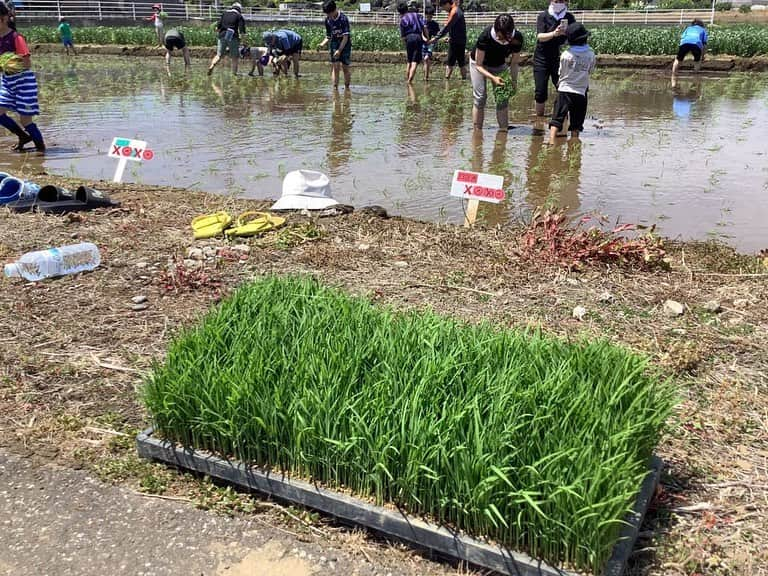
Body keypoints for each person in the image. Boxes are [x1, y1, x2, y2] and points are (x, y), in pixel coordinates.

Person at [0, 2, 44, 152]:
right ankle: (23, 136)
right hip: (7, 81)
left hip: (24, 82)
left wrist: (9, 63)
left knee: (25, 119)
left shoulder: (16, 37)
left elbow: (27, 63)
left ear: (4, 18)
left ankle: (41, 150)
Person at [469, 14, 523, 132]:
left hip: (499, 64)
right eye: (499, 36)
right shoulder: (486, 36)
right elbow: (478, 65)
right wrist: (493, 78)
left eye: (504, 38)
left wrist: (514, 81)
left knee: (502, 98)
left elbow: (514, 63)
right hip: (479, 64)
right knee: (480, 97)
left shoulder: (517, 38)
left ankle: (503, 131)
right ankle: (477, 132)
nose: (501, 39)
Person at [548, 22, 595, 143]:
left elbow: (561, 72)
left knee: (556, 119)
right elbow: (590, 71)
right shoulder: (590, 54)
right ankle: (574, 147)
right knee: (576, 124)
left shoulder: (566, 55)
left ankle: (551, 142)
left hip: (565, 90)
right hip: (581, 92)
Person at [533, 0, 576, 117]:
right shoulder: (543, 16)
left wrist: (566, 35)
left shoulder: (569, 17)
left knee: (562, 87)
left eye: (561, 1)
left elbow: (575, 37)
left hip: (559, 57)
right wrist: (554, 34)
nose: (559, 3)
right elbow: (540, 37)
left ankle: (561, 116)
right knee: (540, 91)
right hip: (541, 57)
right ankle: (539, 119)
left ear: (566, 2)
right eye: (556, 1)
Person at [430, 0, 467, 80]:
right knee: (461, 62)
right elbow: (455, 27)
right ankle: (464, 79)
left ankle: (447, 81)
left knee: (450, 62)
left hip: (455, 41)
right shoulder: (456, 9)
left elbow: (446, 27)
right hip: (460, 40)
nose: (443, 9)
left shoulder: (454, 12)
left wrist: (435, 38)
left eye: (443, 7)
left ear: (447, 4)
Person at [318, 0, 351, 89]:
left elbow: (346, 37)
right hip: (334, 43)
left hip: (345, 44)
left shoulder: (343, 19)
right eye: (327, 14)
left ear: (334, 10)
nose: (328, 16)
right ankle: (335, 88)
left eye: (329, 13)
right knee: (335, 66)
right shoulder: (328, 20)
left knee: (345, 67)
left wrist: (339, 50)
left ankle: (347, 88)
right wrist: (322, 44)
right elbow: (328, 36)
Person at [208, 2, 246, 76]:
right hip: (233, 37)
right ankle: (234, 74)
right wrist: (244, 42)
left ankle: (212, 65)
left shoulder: (224, 14)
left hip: (222, 36)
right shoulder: (239, 16)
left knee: (219, 55)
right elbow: (242, 32)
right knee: (234, 57)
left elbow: (217, 28)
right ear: (239, 9)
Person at [672, 19, 708, 83]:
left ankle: (673, 76)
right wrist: (702, 56)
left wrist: (680, 51)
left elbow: (682, 38)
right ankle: (695, 76)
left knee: (678, 60)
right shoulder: (703, 30)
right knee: (697, 61)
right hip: (696, 44)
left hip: (684, 43)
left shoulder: (688, 28)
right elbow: (704, 44)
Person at [397, 1, 425, 84]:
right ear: (407, 9)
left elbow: (403, 37)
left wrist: (406, 43)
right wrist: (426, 38)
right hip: (417, 37)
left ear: (399, 12)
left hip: (409, 38)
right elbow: (424, 27)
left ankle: (407, 79)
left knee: (409, 61)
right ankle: (409, 81)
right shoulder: (417, 15)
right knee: (415, 61)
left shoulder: (402, 20)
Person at [422, 5, 440, 81]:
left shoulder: (435, 24)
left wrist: (431, 40)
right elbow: (420, 33)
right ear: (425, 15)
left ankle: (426, 78)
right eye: (427, 16)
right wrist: (424, 38)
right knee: (425, 60)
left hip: (431, 43)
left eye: (430, 16)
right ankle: (426, 74)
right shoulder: (422, 23)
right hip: (423, 43)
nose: (429, 17)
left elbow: (437, 35)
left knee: (426, 58)